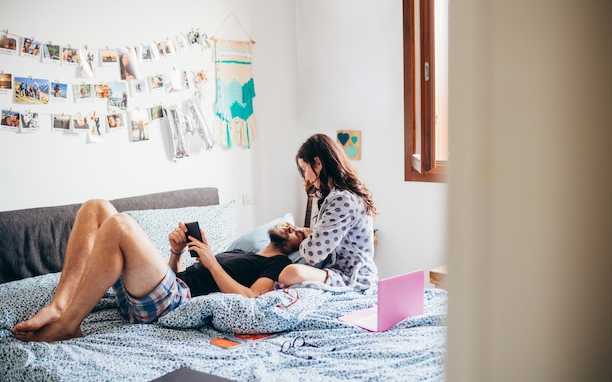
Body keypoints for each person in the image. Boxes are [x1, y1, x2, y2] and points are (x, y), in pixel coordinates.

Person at [12, 199, 305, 343]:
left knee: (120, 224)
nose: (292, 228)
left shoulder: (277, 264)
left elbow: (251, 296)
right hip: (159, 293)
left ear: (297, 247)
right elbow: (174, 278)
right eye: (289, 225)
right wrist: (176, 253)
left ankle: (68, 325)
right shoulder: (241, 251)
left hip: (177, 303)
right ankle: (59, 306)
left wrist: (211, 261)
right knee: (95, 207)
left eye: (300, 233)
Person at [278, 133, 378, 291]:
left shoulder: (341, 199)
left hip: (351, 276)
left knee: (291, 272)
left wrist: (304, 239)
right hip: (343, 271)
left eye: (305, 169)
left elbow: (313, 254)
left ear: (317, 163)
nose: (306, 178)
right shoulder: (342, 195)